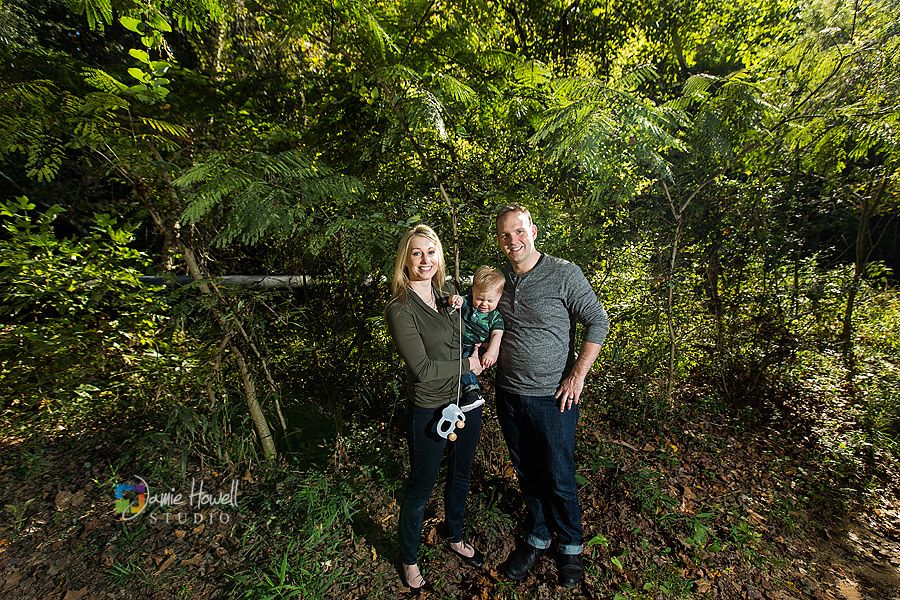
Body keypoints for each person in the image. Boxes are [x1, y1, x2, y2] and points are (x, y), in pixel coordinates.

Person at [493, 204, 609, 587]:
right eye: (506, 235)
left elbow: (598, 320)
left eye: (520, 231)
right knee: (527, 470)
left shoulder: (563, 273)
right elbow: (478, 315)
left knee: (558, 475)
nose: (514, 241)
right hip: (509, 394)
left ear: (534, 231)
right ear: (500, 240)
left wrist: (577, 375)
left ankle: (571, 546)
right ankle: (539, 535)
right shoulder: (499, 281)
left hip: (553, 398)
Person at [385, 224, 487, 591]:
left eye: (431, 252)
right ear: (405, 260)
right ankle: (409, 559)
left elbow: (472, 330)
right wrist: (469, 366)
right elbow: (423, 370)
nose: (425, 260)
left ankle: (455, 536)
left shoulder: (448, 295)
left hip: (465, 401)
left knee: (461, 474)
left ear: (439, 256)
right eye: (416, 253)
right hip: (431, 408)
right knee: (421, 486)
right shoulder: (400, 308)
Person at [448, 265, 506, 412]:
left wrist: (491, 352)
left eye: (490, 301)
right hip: (458, 343)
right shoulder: (468, 303)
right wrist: (454, 300)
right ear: (473, 291)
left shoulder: (495, 317)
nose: (484, 304)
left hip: (475, 347)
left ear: (499, 297)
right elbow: (459, 301)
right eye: (480, 298)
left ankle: (473, 392)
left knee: (465, 364)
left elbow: (496, 335)